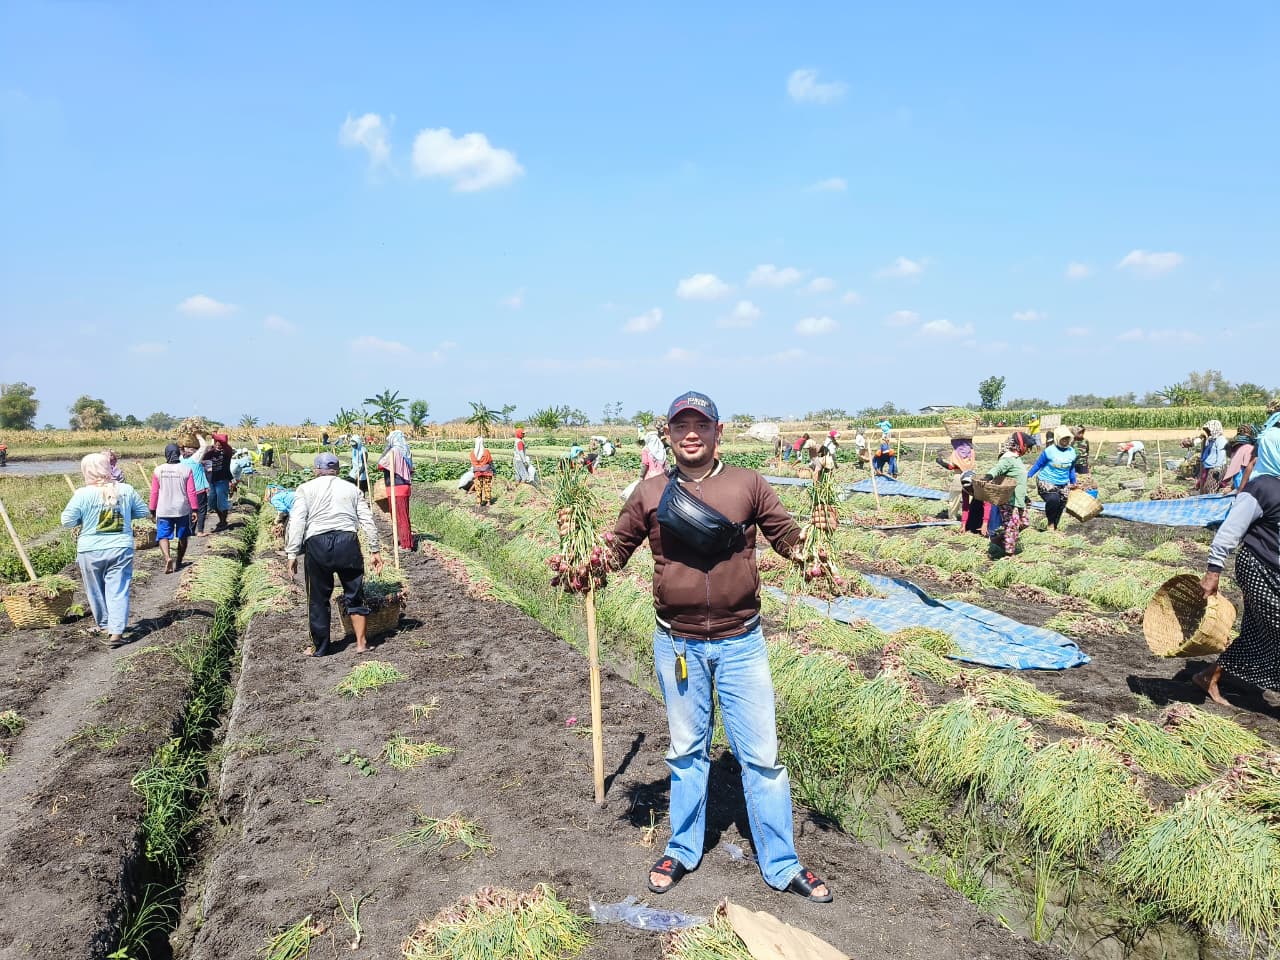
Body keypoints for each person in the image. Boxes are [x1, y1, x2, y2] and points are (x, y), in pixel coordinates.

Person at [610, 391, 832, 904]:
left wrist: (816, 544)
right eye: (681, 425)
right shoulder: (649, 492)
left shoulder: (748, 483)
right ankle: (682, 848)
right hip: (678, 644)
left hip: (741, 643)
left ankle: (781, 862)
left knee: (762, 758)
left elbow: (787, 538)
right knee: (687, 752)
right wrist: (581, 552)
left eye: (701, 424)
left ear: (718, 431)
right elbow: (615, 550)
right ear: (668, 434)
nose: (691, 433)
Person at [1194, 430, 1280, 706]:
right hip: (1259, 567)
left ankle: (1210, 676)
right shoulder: (1261, 487)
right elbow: (1229, 531)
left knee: (1257, 632)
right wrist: (1213, 571)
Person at [286, 453, 384, 657]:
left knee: (318, 598)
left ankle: (321, 648)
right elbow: (367, 519)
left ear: (316, 470)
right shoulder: (352, 489)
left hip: (317, 544)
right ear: (337, 470)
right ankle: (361, 643)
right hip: (347, 543)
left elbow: (297, 521)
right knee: (355, 594)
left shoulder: (305, 489)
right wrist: (374, 550)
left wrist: (292, 553)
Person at [61, 453, 151, 646]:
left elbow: (67, 521)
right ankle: (116, 633)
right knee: (118, 589)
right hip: (120, 547)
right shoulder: (126, 490)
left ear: (86, 471)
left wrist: (83, 519)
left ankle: (104, 625)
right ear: (107, 468)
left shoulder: (82, 494)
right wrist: (125, 514)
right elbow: (143, 511)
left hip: (90, 549)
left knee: (95, 590)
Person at [149, 444, 198, 574]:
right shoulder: (186, 469)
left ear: (166, 454)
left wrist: (152, 509)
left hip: (164, 509)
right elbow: (191, 491)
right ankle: (179, 561)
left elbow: (154, 492)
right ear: (178, 454)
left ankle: (167, 557)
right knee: (183, 536)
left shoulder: (158, 470)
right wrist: (195, 509)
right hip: (182, 509)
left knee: (163, 535)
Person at [983, 432, 1033, 556]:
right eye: (1027, 446)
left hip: (1019, 499)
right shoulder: (1008, 458)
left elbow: (1019, 480)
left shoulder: (1017, 459)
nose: (1028, 450)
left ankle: (999, 538)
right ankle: (1009, 554)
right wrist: (989, 476)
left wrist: (1025, 496)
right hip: (1009, 501)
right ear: (1019, 445)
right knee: (1012, 526)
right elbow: (998, 468)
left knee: (1024, 523)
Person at [1027, 431, 1078, 530]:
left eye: (1067, 438)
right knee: (1053, 500)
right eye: (1063, 438)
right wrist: (1029, 475)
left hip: (1063, 483)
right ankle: (1050, 522)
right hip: (1046, 481)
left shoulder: (1072, 452)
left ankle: (1054, 526)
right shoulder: (1049, 451)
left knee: (1061, 504)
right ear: (1058, 438)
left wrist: (1073, 482)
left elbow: (1071, 468)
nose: (1065, 440)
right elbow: (1039, 464)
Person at [376, 429, 414, 550]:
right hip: (404, 486)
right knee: (402, 515)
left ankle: (406, 544)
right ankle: (401, 540)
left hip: (396, 487)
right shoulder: (406, 451)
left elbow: (380, 465)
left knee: (400, 517)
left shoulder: (394, 451)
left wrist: (385, 450)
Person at [180, 434, 212, 537]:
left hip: (186, 490)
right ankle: (200, 531)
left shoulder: (181, 460)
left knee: (190, 510)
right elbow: (204, 446)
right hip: (198, 489)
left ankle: (190, 530)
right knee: (201, 510)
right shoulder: (195, 459)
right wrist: (198, 436)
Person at [205, 432, 234, 531]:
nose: (218, 446)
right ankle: (221, 519)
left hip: (222, 480)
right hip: (212, 481)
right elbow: (202, 457)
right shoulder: (211, 452)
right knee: (212, 503)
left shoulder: (227, 453)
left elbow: (224, 442)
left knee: (222, 503)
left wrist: (213, 435)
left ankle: (223, 521)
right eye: (216, 444)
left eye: (220, 444)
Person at [1223, 425, 1259, 491]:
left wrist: (1238, 489)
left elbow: (1245, 473)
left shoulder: (1248, 449)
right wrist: (1232, 487)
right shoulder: (1249, 449)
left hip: (1245, 488)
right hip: (1244, 488)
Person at [1197, 420, 1228, 493]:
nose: (1208, 432)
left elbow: (1221, 454)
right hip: (1208, 467)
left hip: (1216, 467)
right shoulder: (1211, 440)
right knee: (1204, 488)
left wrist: (1217, 468)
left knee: (1210, 488)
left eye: (1209, 430)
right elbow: (1206, 452)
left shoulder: (1221, 440)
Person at [470, 437, 495, 506]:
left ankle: (479, 503)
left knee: (478, 487)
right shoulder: (486, 451)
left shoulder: (472, 453)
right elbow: (490, 462)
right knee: (487, 486)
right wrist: (494, 471)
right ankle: (488, 502)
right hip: (487, 471)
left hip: (477, 472)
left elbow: (472, 463)